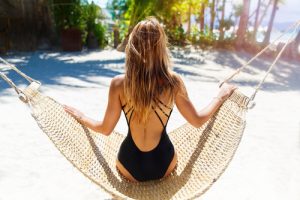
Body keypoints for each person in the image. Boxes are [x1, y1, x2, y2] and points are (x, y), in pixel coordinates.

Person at [63, 17, 236, 182]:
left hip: (128, 164)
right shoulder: (173, 82)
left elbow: (105, 129)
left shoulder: (118, 84)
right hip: (164, 162)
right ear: (161, 47)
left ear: (132, 46)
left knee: (120, 193)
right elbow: (197, 120)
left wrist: (81, 116)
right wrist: (221, 95)